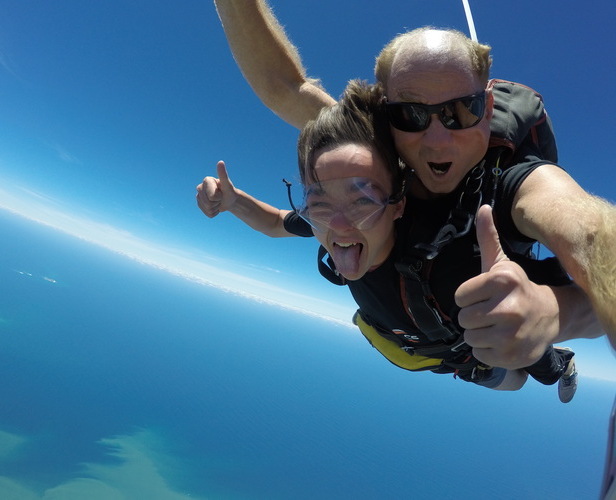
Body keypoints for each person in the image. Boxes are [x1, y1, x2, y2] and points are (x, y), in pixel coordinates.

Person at [212, 0, 615, 361]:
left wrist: (555, 314)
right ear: (387, 117)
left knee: (507, 370)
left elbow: (592, 233)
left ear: (488, 108)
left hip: (460, 347)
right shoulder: (370, 168)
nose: (438, 141)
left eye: (462, 110)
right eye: (410, 114)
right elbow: (286, 88)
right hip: (402, 334)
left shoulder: (515, 185)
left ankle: (550, 361)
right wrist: (232, 202)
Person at [197, 80, 579, 396]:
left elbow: (585, 284)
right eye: (319, 203)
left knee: (518, 375)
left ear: (398, 205)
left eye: (362, 200)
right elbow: (277, 221)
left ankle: (560, 365)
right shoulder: (325, 223)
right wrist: (234, 202)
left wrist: (547, 310)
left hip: (464, 350)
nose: (339, 225)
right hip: (418, 346)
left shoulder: (458, 270)